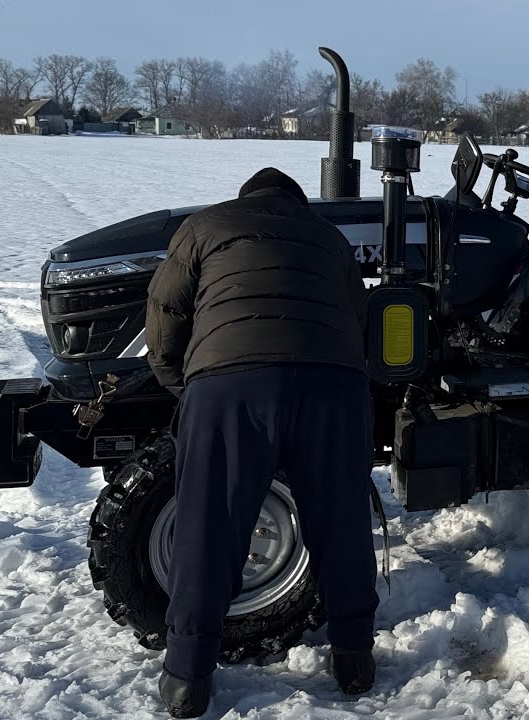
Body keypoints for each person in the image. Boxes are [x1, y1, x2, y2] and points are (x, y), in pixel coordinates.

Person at [145, 167, 376, 718]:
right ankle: (354, 657)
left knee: (210, 525)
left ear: (246, 198)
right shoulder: (331, 236)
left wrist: (183, 384)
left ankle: (187, 677)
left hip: (232, 383)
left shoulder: (204, 226)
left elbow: (165, 311)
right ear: (296, 203)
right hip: (333, 385)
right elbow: (357, 317)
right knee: (341, 522)